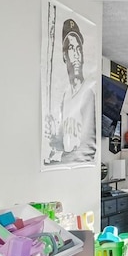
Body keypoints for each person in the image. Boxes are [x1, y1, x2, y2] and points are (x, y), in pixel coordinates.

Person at [45, 18, 96, 164]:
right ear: (64, 55)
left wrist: (62, 162)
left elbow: (88, 150)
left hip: (75, 170)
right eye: (71, 48)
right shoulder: (66, 96)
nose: (76, 54)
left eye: (79, 48)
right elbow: (62, 142)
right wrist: (51, 136)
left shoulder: (88, 93)